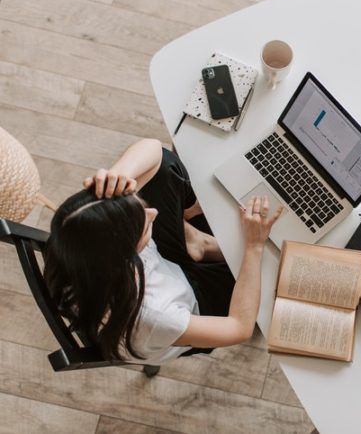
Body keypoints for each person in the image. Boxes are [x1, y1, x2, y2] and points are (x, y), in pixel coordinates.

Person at [43, 139, 283, 364]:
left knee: (166, 167)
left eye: (140, 207)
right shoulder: (156, 316)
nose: (153, 214)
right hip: (195, 304)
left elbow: (155, 150)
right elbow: (238, 328)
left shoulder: (77, 237)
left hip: (161, 271)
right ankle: (198, 242)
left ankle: (196, 244)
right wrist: (254, 245)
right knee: (272, 273)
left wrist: (119, 175)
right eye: (144, 223)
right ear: (126, 255)